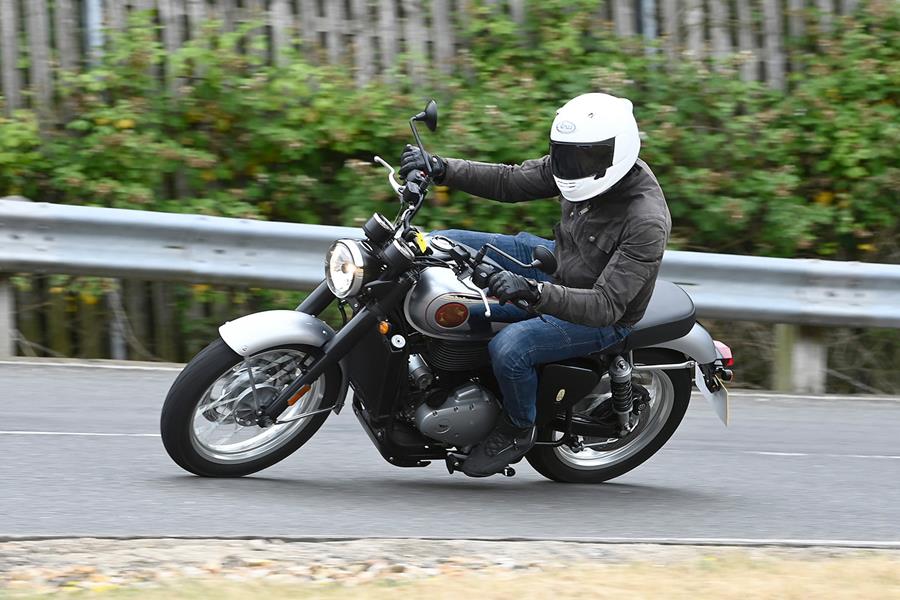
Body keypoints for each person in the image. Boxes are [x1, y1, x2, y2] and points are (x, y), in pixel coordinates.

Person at [399, 93, 671, 477]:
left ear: (616, 153)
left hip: (598, 312)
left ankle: (517, 427)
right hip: (557, 260)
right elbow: (511, 181)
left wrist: (533, 292)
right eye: (564, 155)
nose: (570, 167)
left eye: (581, 158)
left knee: (511, 348)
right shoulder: (576, 164)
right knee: (440, 244)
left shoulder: (645, 219)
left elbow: (606, 305)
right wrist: (442, 168)